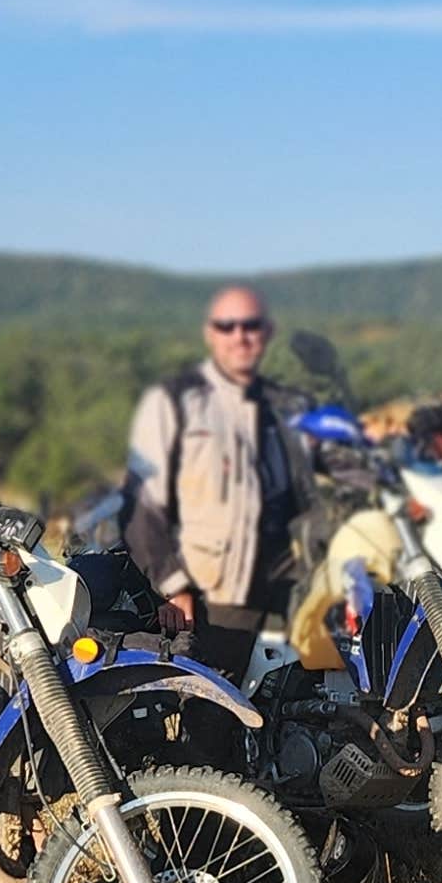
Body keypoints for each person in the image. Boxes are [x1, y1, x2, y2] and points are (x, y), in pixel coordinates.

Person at [123, 284, 302, 679]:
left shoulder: (284, 406)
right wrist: (174, 587)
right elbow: (141, 508)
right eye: (227, 326)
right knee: (216, 717)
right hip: (213, 592)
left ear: (267, 332)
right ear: (211, 334)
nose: (240, 335)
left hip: (282, 578)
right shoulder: (173, 404)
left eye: (251, 325)